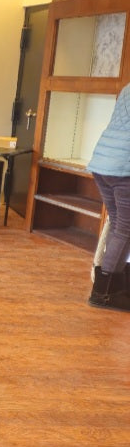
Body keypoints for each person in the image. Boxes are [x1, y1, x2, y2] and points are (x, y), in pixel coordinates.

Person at [86, 81, 130, 311]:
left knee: (118, 225)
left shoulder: (127, 87)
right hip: (124, 167)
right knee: (125, 229)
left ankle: (109, 286)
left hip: (103, 161)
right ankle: (104, 293)